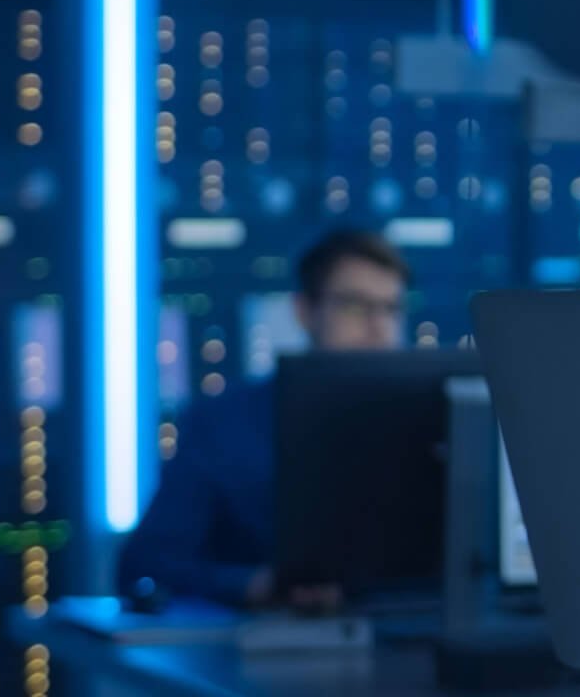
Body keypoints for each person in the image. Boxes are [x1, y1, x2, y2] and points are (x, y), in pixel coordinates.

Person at [117, 229, 412, 608]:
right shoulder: (225, 423)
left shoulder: (431, 418)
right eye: (356, 306)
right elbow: (145, 564)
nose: (379, 328)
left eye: (391, 309)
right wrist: (253, 585)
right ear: (305, 311)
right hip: (269, 643)